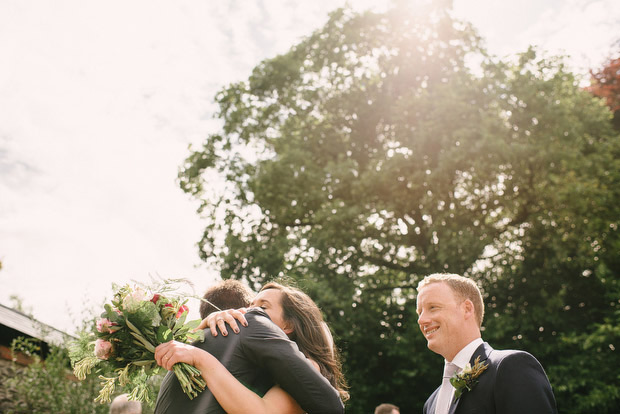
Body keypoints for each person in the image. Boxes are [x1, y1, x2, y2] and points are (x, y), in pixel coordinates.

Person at [154, 280, 346, 414]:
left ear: (289, 325)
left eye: (262, 307)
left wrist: (201, 358)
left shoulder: (308, 367)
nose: (246, 311)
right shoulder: (254, 359)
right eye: (250, 305)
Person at [416, 273, 558, 414]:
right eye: (420, 312)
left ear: (467, 309)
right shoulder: (431, 404)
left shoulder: (510, 367)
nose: (421, 320)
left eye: (433, 307)